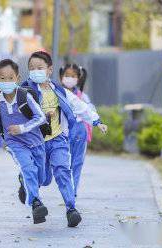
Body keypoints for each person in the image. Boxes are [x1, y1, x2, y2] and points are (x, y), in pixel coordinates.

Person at [21, 51, 107, 227]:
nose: (35, 71)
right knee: (43, 178)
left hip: (58, 138)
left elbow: (79, 105)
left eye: (39, 68)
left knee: (62, 170)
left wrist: (97, 121)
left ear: (49, 69)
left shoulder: (59, 91)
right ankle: (26, 182)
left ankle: (71, 209)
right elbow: (17, 114)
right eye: (31, 68)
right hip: (36, 141)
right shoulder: (24, 91)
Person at [0, 59, 49, 224]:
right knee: (28, 168)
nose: (6, 82)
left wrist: (22, 128)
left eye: (10, 78)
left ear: (17, 78)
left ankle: (24, 182)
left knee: (41, 177)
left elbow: (41, 117)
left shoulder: (25, 96)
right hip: (14, 143)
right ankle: (36, 203)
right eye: (2, 78)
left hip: (36, 142)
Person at [60, 64, 98, 196]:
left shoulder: (83, 97)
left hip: (80, 133)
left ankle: (72, 191)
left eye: (73, 76)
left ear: (78, 78)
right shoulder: (57, 94)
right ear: (61, 76)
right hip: (63, 133)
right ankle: (66, 189)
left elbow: (91, 113)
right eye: (67, 75)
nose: (69, 78)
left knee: (77, 163)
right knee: (64, 164)